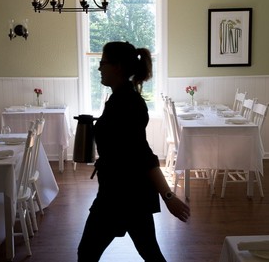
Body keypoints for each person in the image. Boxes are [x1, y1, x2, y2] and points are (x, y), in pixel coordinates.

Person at [77, 41, 190, 262]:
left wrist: (168, 197)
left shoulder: (127, 103)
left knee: (87, 253)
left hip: (121, 195)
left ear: (117, 67)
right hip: (127, 193)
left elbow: (143, 156)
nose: (99, 68)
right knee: (150, 253)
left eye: (103, 63)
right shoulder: (120, 99)